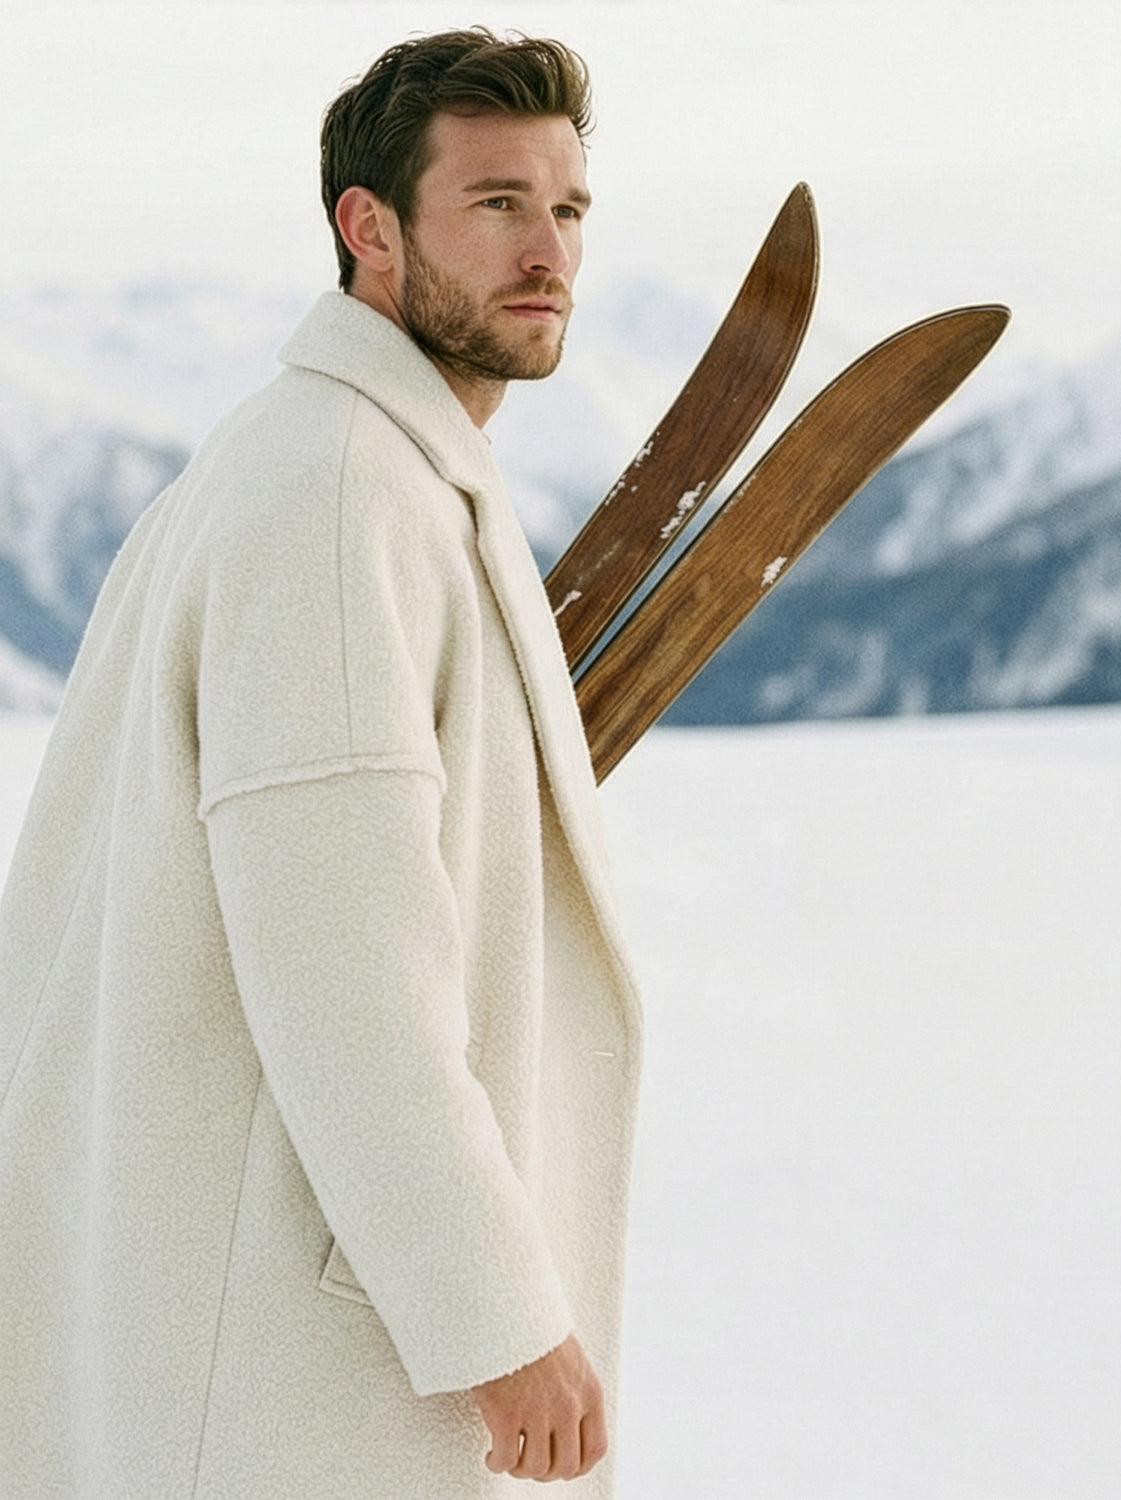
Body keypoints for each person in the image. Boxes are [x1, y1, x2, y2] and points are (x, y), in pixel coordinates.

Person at [0, 30, 642, 1498]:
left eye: (568, 208)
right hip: (297, 1364)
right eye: (494, 204)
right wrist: (494, 1316)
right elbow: (342, 965)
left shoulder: (335, 463)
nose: (547, 250)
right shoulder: (338, 495)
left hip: (247, 1306)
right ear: (371, 228)